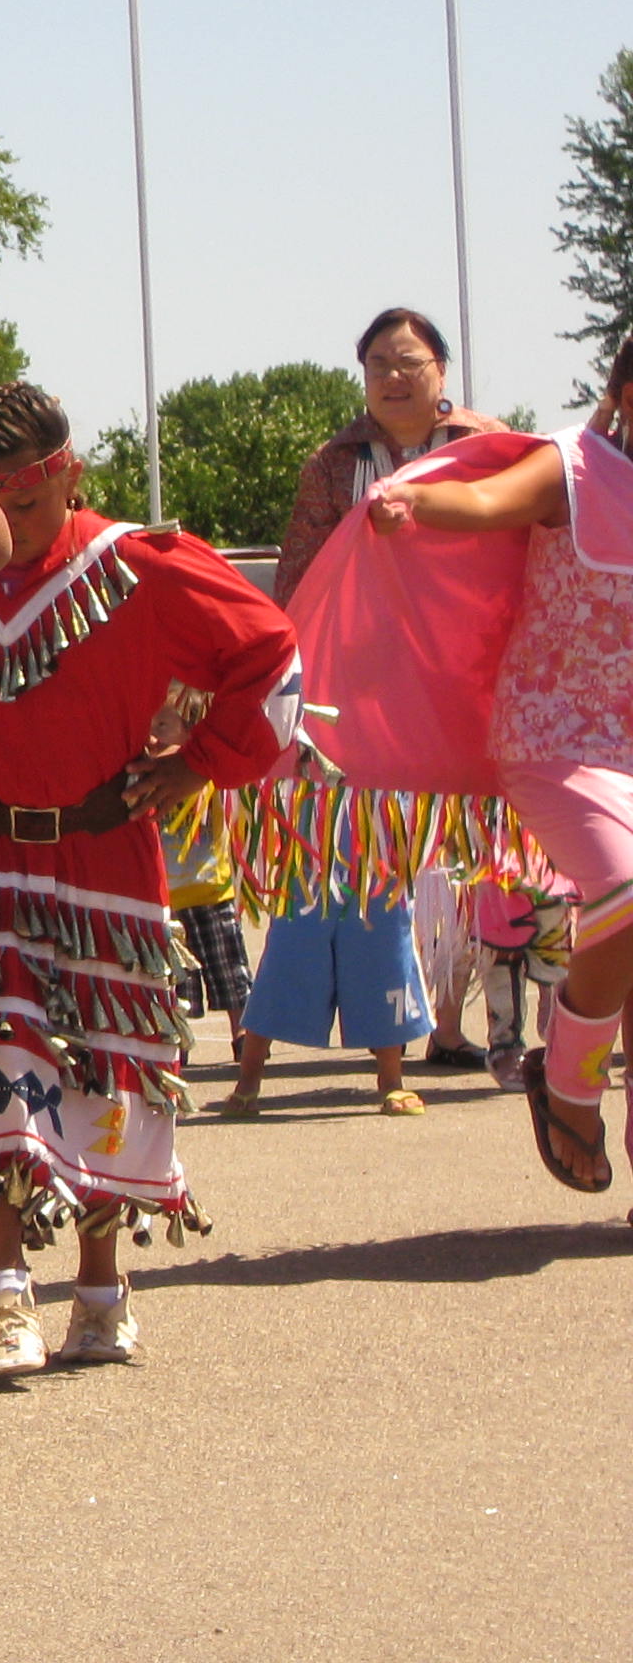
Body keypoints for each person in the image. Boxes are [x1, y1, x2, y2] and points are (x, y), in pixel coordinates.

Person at [0, 385, 298, 1378]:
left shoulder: (137, 569)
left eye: (24, 503)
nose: (7, 527)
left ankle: (103, 1293)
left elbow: (270, 654)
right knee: (3, 1052)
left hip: (107, 849)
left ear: (68, 473)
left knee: (107, 1065)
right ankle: (5, 1293)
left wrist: (201, 760)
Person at [357, 339, 633, 1213]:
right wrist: (410, 500)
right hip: (560, 737)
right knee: (627, 889)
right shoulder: (575, 468)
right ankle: (568, 1075)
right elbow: (475, 498)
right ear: (627, 392)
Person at [240, 306, 507, 1096]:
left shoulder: (484, 448)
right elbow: (299, 572)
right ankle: (369, 1049)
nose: (393, 377)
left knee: (483, 866)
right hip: (359, 682)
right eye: (378, 365)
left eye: (409, 362)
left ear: (442, 373)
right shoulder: (334, 464)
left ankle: (491, 1029)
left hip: (464, 671)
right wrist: (283, 669)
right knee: (357, 861)